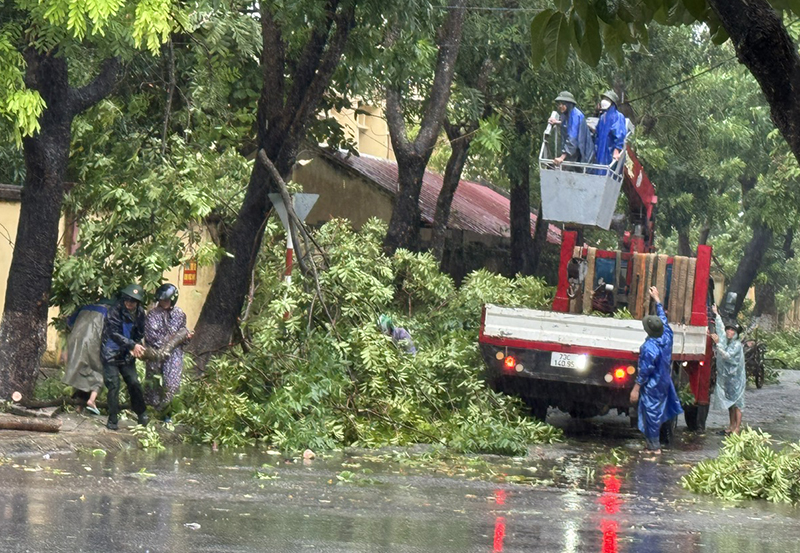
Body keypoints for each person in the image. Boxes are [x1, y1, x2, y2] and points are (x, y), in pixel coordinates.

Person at [629, 286, 683, 454]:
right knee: (656, 412)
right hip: (664, 379)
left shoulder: (649, 347)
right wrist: (657, 300)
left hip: (653, 383)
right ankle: (651, 444)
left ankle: (654, 447)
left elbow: (645, 369)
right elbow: (664, 320)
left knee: (651, 413)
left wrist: (636, 388)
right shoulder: (667, 335)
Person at [101, 284, 149, 430]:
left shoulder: (140, 313)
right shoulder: (114, 311)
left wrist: (136, 346)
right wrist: (131, 345)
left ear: (138, 303)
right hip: (111, 352)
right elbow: (113, 333)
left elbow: (140, 332)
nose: (129, 303)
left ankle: (142, 414)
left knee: (134, 382)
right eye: (127, 300)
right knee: (114, 385)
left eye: (133, 301)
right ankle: (113, 419)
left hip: (127, 354)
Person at [144, 283, 192, 419]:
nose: (163, 302)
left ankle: (166, 412)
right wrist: (167, 343)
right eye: (161, 300)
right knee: (154, 383)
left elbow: (183, 334)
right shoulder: (152, 315)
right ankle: (152, 411)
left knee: (171, 383)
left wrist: (186, 338)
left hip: (175, 354)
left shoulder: (179, 314)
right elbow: (151, 336)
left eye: (166, 300)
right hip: (156, 353)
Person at [62, 301, 112, 415]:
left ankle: (78, 405)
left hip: (76, 341)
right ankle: (92, 400)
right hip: (94, 343)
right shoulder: (109, 311)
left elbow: (70, 322)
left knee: (79, 372)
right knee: (98, 370)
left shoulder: (83, 306)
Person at [709, 305, 745, 435]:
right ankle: (731, 426)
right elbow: (720, 329)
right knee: (730, 402)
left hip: (737, 378)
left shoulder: (736, 345)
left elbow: (727, 355)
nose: (729, 332)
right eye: (728, 329)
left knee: (738, 403)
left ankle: (737, 428)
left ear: (736, 333)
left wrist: (718, 343)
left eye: (732, 330)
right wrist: (716, 314)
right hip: (728, 377)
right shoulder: (727, 340)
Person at [547, 91, 594, 166]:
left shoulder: (575, 116)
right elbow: (567, 125)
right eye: (559, 104)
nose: (560, 106)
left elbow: (572, 139)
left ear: (568, 104)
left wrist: (562, 157)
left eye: (563, 104)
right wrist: (557, 122)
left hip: (581, 155)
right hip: (574, 154)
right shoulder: (567, 114)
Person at [594, 90, 627, 167]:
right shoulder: (602, 117)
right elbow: (597, 134)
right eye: (604, 99)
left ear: (612, 103)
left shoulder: (618, 116)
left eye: (607, 99)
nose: (604, 101)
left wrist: (616, 151)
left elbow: (619, 135)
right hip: (600, 150)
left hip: (610, 151)